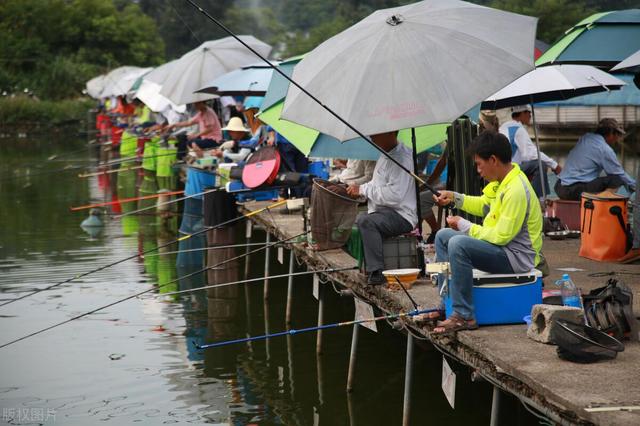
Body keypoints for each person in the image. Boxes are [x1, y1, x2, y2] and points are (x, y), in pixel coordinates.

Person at [427, 131, 543, 333]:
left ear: (493, 160)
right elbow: (483, 205)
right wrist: (454, 197)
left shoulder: (516, 189)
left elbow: (501, 237)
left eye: (480, 164)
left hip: (517, 258)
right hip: (502, 250)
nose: (478, 171)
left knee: (458, 244)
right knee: (442, 236)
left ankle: (463, 316)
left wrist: (465, 226)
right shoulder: (502, 182)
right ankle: (448, 303)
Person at [347, 131, 417, 286]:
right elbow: (376, 184)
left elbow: (395, 195)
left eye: (377, 134)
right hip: (384, 212)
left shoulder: (402, 159)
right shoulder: (385, 155)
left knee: (366, 221)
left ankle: (377, 272)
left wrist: (363, 190)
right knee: (357, 221)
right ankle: (367, 266)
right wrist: (360, 189)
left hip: (402, 216)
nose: (372, 137)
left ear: (392, 133)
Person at [555, 118, 635, 200]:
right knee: (616, 179)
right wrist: (636, 188)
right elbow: (619, 174)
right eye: (617, 135)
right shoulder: (604, 149)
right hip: (573, 191)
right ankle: (599, 203)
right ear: (611, 133)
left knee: (602, 176)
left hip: (559, 187)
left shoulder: (585, 138)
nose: (617, 138)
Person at [499, 105, 561, 198]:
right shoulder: (518, 129)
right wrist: (554, 165)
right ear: (522, 113)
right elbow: (531, 154)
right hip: (510, 169)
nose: (530, 116)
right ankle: (537, 199)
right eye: (529, 113)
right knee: (540, 165)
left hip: (505, 167)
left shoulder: (504, 126)